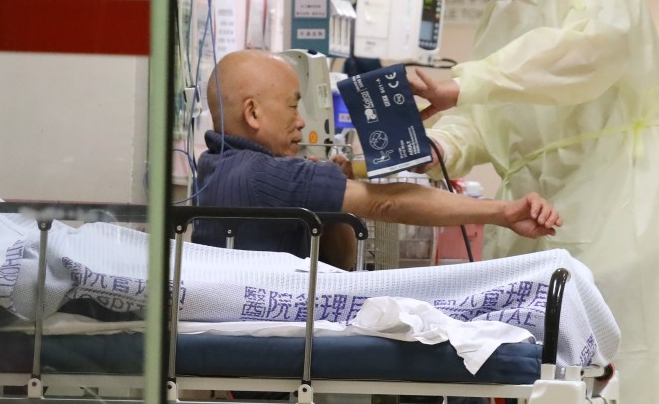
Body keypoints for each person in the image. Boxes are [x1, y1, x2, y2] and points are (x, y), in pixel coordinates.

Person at [407, 0, 659, 404]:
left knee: (628, 366)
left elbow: (584, 55)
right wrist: (434, 149)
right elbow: (488, 116)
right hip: (539, 212)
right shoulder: (499, 18)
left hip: (620, 201)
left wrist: (466, 81)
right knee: (547, 373)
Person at [192, 49, 562, 271]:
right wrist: (503, 212)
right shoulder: (272, 176)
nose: (301, 121)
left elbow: (339, 265)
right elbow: (387, 201)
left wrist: (329, 199)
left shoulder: (212, 169)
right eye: (292, 106)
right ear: (253, 113)